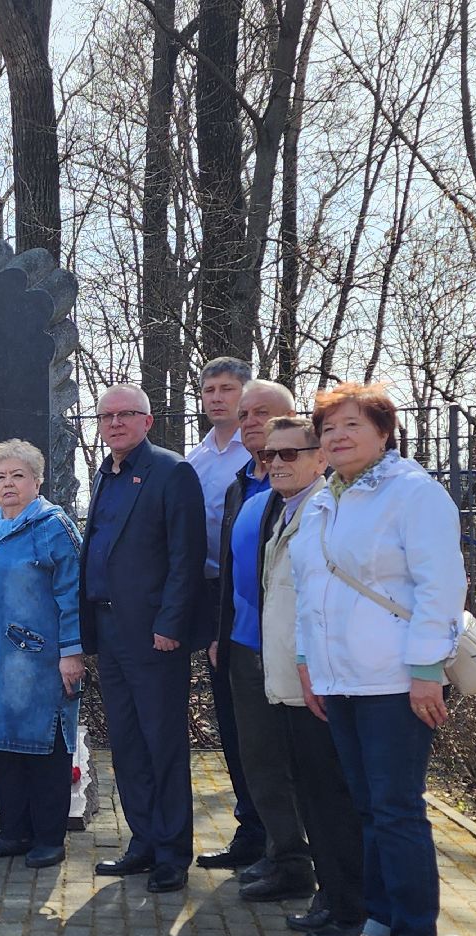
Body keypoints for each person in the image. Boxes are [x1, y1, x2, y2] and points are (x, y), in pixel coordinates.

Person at [289, 382, 465, 936]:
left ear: (383, 432)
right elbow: (311, 591)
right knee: (367, 808)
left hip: (395, 681)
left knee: (397, 810)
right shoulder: (323, 500)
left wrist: (424, 671)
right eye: (329, 429)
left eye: (352, 426)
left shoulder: (413, 495)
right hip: (340, 681)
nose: (337, 437)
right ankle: (381, 924)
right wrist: (309, 662)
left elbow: (440, 588)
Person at [79, 385, 205, 893]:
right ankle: (143, 842)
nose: (114, 423)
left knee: (162, 744)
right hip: (110, 631)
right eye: (106, 416)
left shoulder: (172, 472)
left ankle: (173, 852)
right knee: (127, 744)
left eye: (125, 414)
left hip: (154, 636)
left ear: (148, 421)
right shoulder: (105, 475)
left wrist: (172, 624)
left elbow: (185, 555)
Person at [258, 416, 364, 936]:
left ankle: (351, 908)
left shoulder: (328, 512)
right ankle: (332, 898)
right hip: (287, 682)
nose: (276, 463)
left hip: (320, 685)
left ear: (320, 457)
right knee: (311, 798)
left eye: (289, 454)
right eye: (268, 457)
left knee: (332, 799)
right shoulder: (286, 511)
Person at [211, 380, 314, 901]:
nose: (249, 421)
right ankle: (280, 853)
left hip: (295, 649)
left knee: (299, 762)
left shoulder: (304, 491)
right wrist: (220, 633)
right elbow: (232, 571)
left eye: (262, 414)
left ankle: (304, 862)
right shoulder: (241, 487)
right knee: (258, 758)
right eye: (245, 413)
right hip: (243, 644)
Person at [0, 440, 84, 870]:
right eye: (0, 477)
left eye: (17, 475)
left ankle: (49, 836)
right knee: (2, 745)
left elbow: (73, 594)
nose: (8, 484)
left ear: (37, 480)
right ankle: (14, 830)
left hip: (40, 661)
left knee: (45, 746)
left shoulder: (54, 527)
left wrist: (72, 652)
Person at [185, 358, 264, 873]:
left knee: (265, 724)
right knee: (232, 722)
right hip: (212, 592)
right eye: (209, 389)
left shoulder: (260, 453)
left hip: (256, 592)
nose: (217, 398)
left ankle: (281, 834)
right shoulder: (195, 460)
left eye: (227, 389)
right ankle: (250, 829)